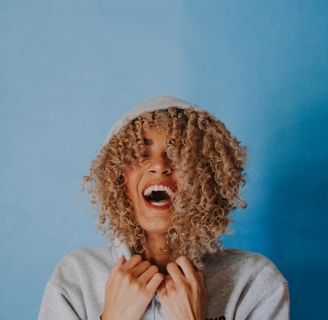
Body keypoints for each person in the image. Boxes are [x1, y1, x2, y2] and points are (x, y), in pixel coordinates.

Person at [39, 96, 290, 319]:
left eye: (179, 154)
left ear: (208, 178)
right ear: (118, 178)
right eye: (140, 154)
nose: (159, 166)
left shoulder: (256, 282)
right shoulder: (76, 276)